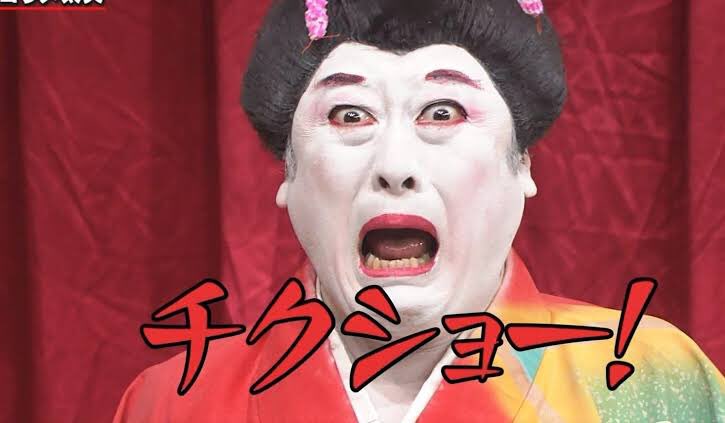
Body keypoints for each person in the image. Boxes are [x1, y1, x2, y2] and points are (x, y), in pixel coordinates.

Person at [113, 0, 725, 421]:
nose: (395, 163)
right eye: (349, 115)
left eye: (442, 112)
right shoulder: (173, 403)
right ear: (288, 174)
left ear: (522, 165)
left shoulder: (651, 378)